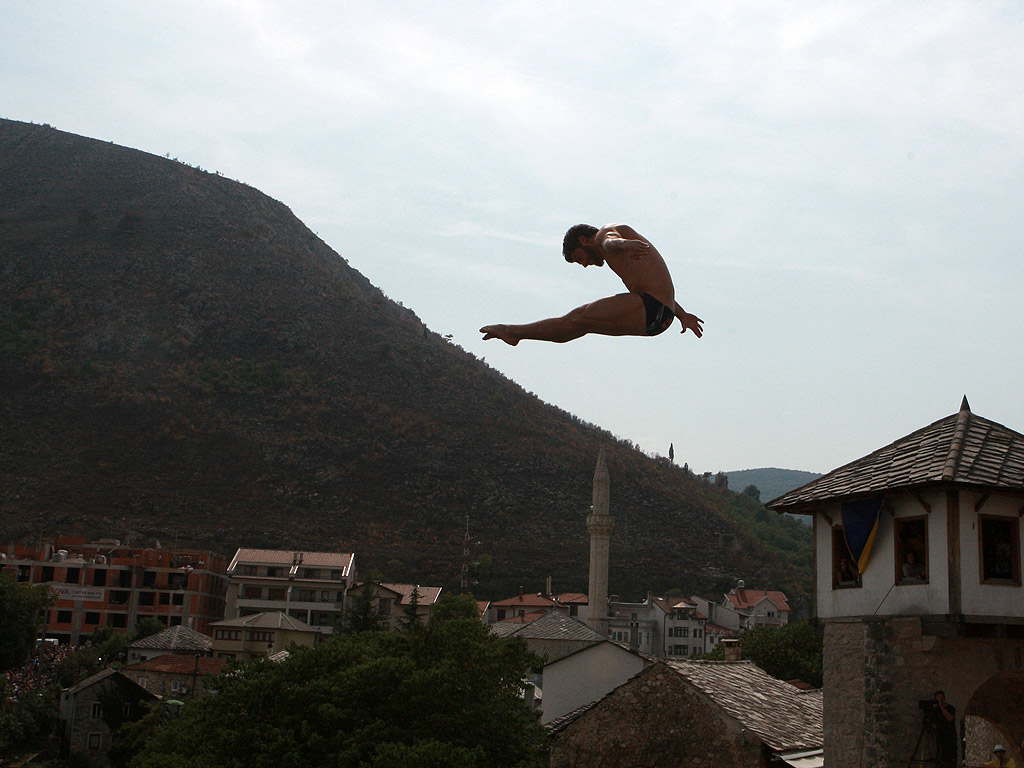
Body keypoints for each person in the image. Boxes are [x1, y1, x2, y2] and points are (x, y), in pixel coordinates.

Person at [480, 223, 703, 345]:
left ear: (584, 241)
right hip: (659, 317)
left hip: (654, 310)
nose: (585, 264)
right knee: (578, 324)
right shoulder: (622, 263)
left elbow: (610, 241)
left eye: (580, 258)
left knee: (577, 318)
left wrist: (624, 244)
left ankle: (512, 332)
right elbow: (657, 287)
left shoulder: (603, 235)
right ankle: (514, 333)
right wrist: (682, 315)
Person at [927, 690, 958, 768]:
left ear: (944, 699)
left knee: (950, 759)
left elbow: (950, 718)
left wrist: (942, 707)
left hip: (950, 738)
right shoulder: (936, 710)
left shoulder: (950, 708)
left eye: (940, 699)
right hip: (940, 737)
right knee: (940, 759)